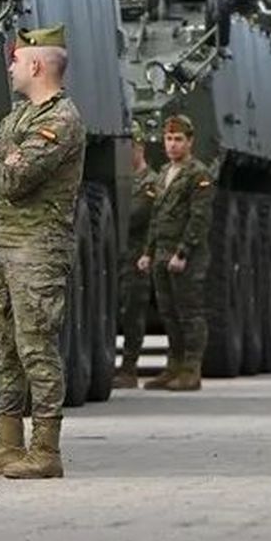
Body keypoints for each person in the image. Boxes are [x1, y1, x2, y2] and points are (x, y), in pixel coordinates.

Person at [0, 25, 85, 480]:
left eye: (14, 61)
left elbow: (14, 179)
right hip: (4, 241)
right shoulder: (19, 116)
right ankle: (7, 444)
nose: (9, 68)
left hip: (37, 248)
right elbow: (3, 162)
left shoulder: (60, 121)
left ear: (35, 65)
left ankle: (46, 449)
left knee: (35, 346)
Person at [138, 114, 214, 392]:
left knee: (189, 313)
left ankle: (191, 369)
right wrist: (148, 252)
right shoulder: (163, 174)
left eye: (178, 139)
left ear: (190, 141)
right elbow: (156, 217)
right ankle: (174, 366)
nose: (172, 145)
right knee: (168, 313)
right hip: (161, 254)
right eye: (168, 139)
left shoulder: (198, 174)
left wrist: (183, 253)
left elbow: (199, 219)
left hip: (185, 257)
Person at [114, 121, 158, 388]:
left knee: (132, 313)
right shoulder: (124, 183)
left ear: (138, 148)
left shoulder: (150, 183)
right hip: (120, 258)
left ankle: (129, 368)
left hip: (136, 259)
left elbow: (135, 215)